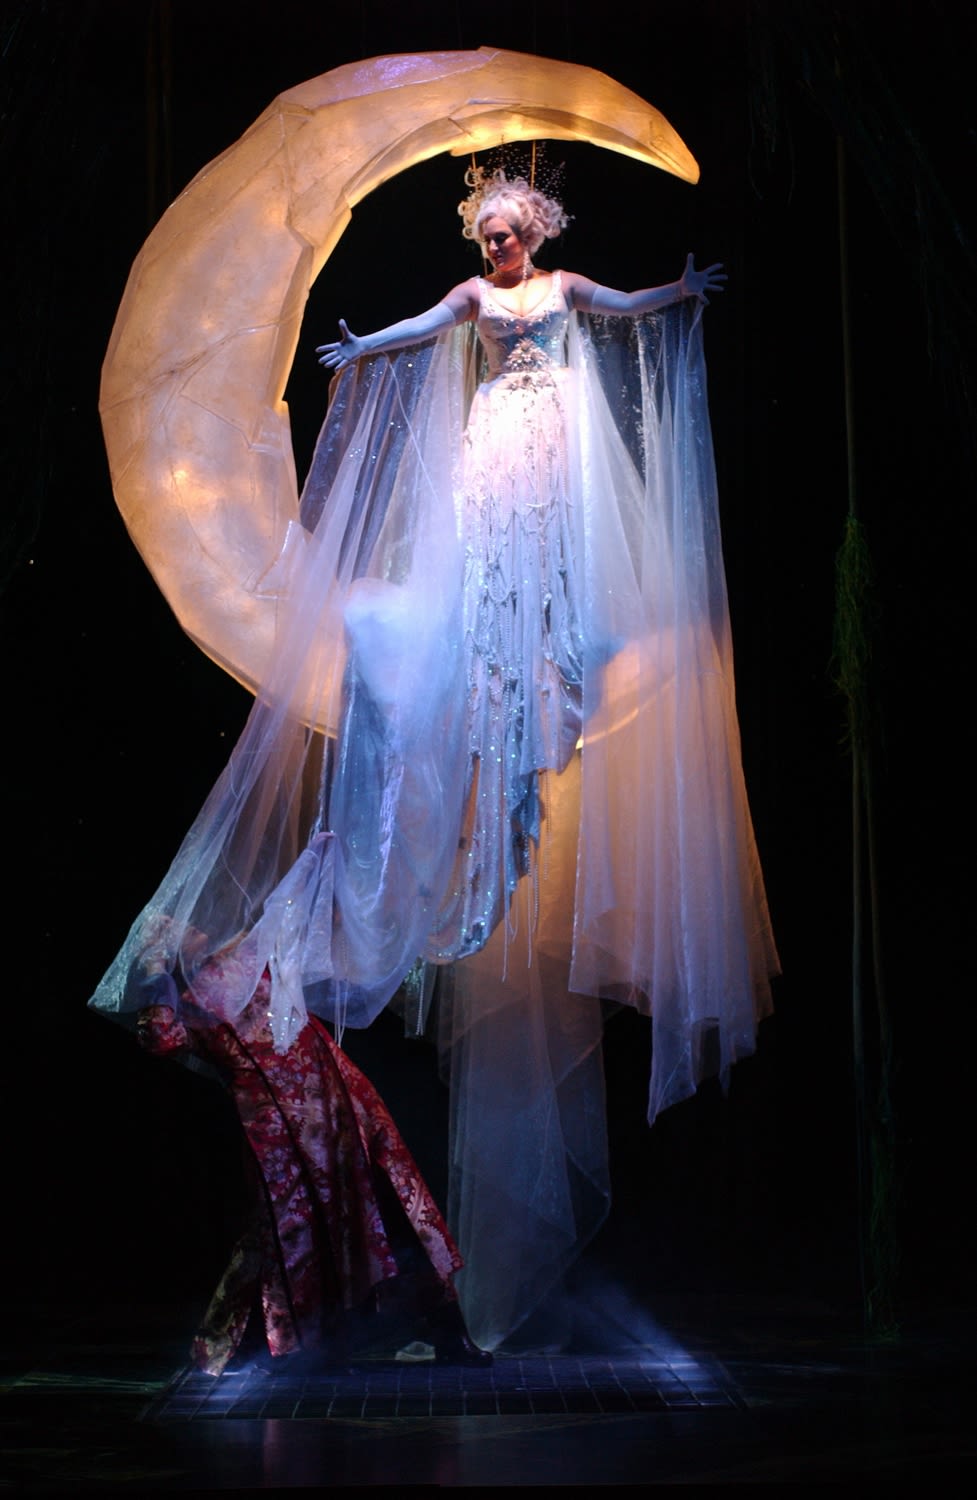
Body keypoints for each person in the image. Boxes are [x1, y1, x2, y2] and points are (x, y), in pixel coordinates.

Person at [92, 169, 778, 1351]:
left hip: (547, 438)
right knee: (474, 587)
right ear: (484, 239)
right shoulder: (473, 295)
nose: (505, 247)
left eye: (515, 233)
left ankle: (531, 683)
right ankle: (482, 702)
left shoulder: (558, 289)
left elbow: (613, 308)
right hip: (493, 440)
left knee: (554, 595)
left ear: (537, 236)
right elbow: (424, 327)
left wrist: (675, 294)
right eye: (494, 234)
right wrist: (362, 349)